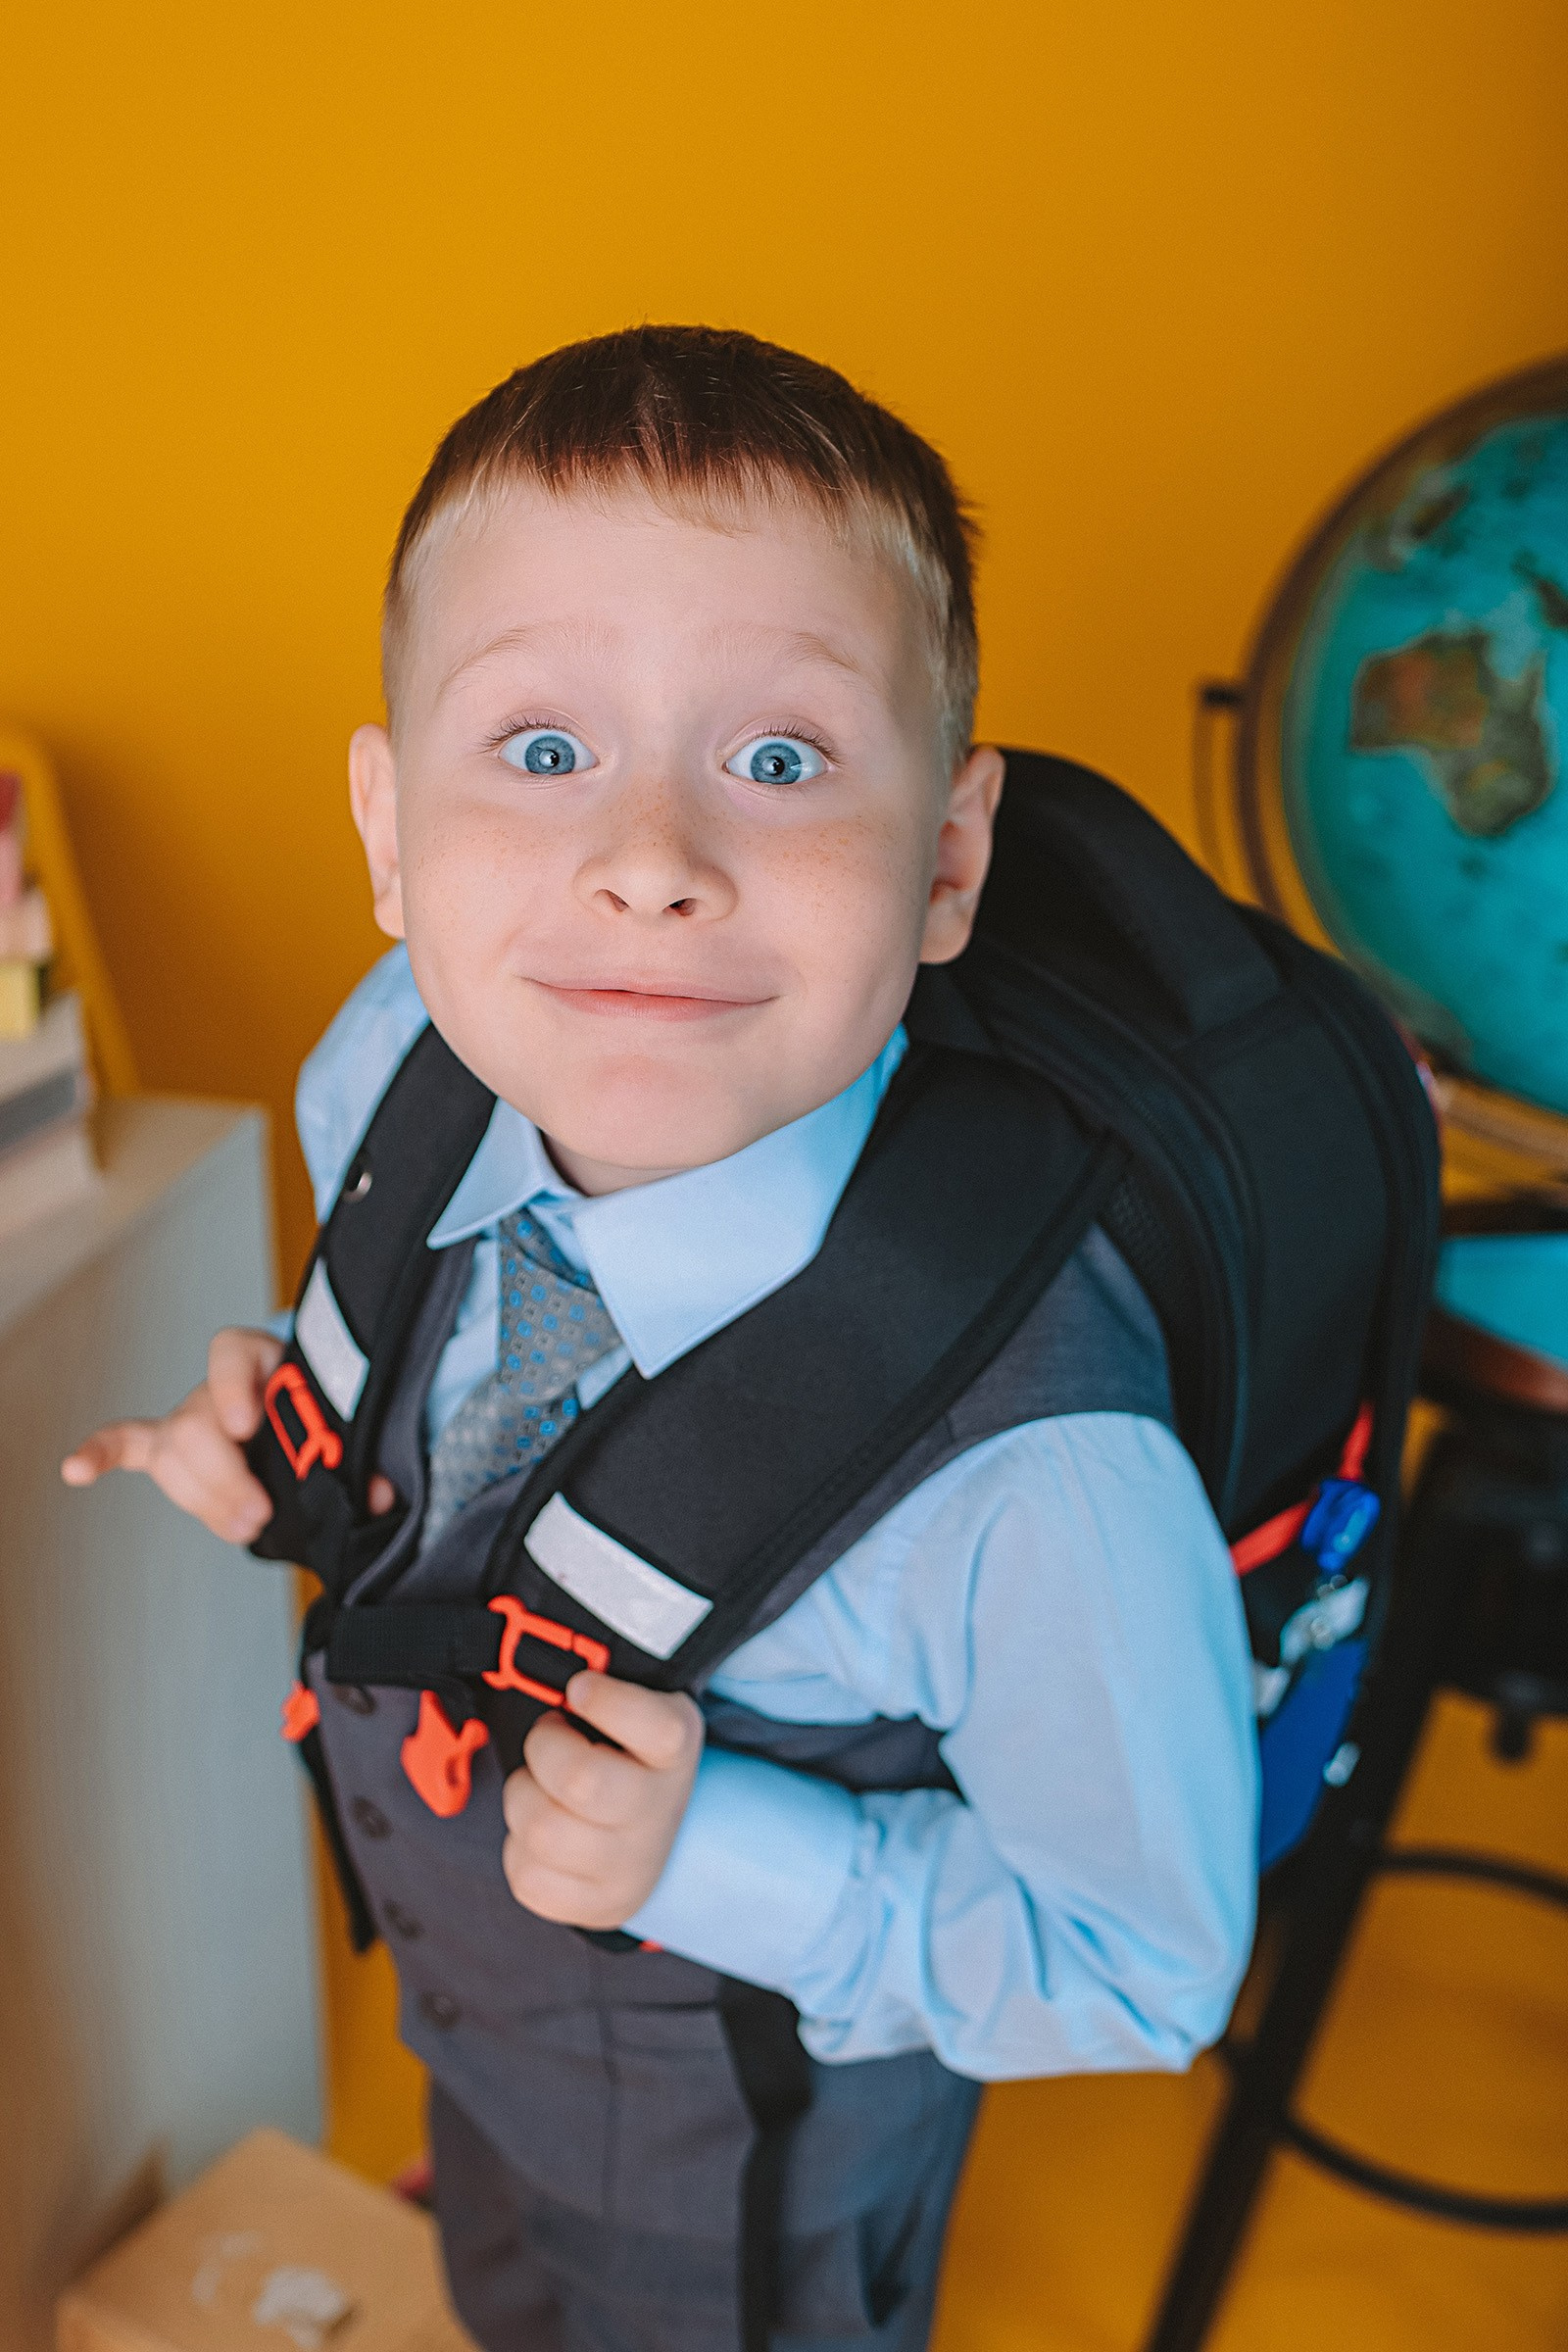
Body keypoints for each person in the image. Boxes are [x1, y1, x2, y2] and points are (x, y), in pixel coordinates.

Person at [63, 326, 1257, 2352]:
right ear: (387, 832)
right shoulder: (391, 1062)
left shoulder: (1032, 1472)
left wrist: (715, 1856)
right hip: (475, 2045)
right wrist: (296, 1421)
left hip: (747, 2193)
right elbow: (440, 1363)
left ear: (946, 859)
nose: (648, 863)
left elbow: (1143, 1965)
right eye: (541, 749)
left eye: (779, 760)